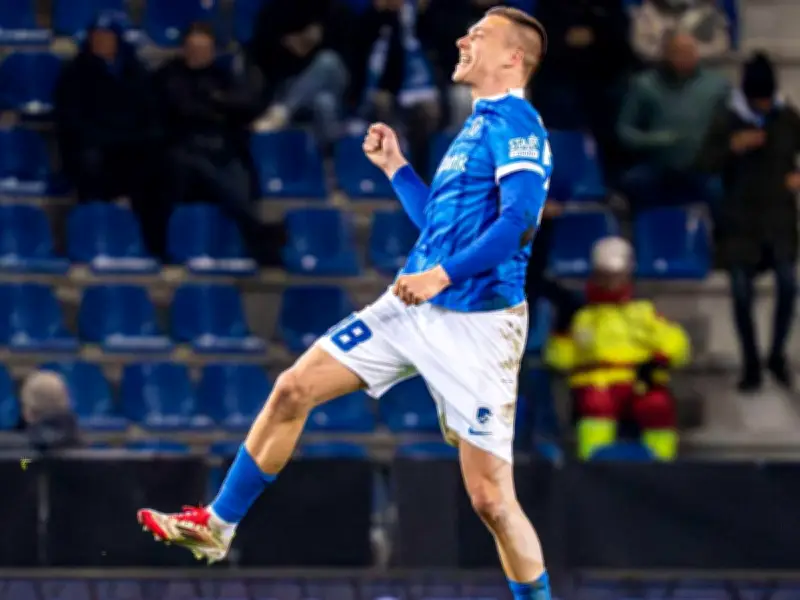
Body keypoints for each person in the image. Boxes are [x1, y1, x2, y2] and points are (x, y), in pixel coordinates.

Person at [138, 7, 553, 600]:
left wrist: (440, 276)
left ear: (513, 57)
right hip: (412, 307)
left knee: (491, 499)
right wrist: (398, 170)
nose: (463, 39)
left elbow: (518, 225)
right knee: (292, 389)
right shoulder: (475, 126)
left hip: (480, 323)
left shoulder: (519, 125)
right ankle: (216, 527)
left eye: (479, 34)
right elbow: (440, 227)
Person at [697, 52, 800, 392]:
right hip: (739, 222)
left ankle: (777, 354)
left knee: (788, 285)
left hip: (779, 219)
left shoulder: (787, 117)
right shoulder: (727, 120)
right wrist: (732, 147)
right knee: (741, 294)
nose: (763, 105)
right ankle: (751, 362)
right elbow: (703, 162)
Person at [544, 237, 690, 460]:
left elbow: (677, 344)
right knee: (596, 403)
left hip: (638, 381)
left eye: (616, 276)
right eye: (605, 276)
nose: (610, 283)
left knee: (657, 405)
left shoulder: (643, 311)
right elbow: (559, 359)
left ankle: (661, 464)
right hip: (596, 383)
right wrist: (561, 333)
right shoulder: (582, 316)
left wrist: (657, 362)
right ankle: (592, 464)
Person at [157, 23, 276, 265]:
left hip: (223, 147)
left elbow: (248, 105)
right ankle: (259, 233)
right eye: (194, 48)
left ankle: (259, 243)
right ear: (184, 49)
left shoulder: (222, 75)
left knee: (236, 175)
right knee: (210, 171)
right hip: (183, 148)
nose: (199, 54)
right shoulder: (168, 75)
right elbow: (181, 109)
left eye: (205, 49)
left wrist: (216, 103)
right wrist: (220, 106)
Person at [54, 11, 165, 257]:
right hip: (94, 148)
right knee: (90, 163)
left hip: (131, 147)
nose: (101, 41)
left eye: (106, 36)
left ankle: (152, 246)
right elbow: (71, 122)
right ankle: (96, 239)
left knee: (160, 167)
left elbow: (151, 116)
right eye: (96, 36)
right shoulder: (75, 73)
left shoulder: (136, 72)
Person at [617, 31, 728, 211]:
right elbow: (624, 131)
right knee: (634, 181)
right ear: (666, 54)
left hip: (702, 169)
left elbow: (733, 126)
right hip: (657, 166)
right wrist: (657, 140)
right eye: (678, 52)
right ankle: (650, 227)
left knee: (720, 188)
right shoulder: (644, 85)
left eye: (690, 51)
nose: (686, 57)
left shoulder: (717, 87)